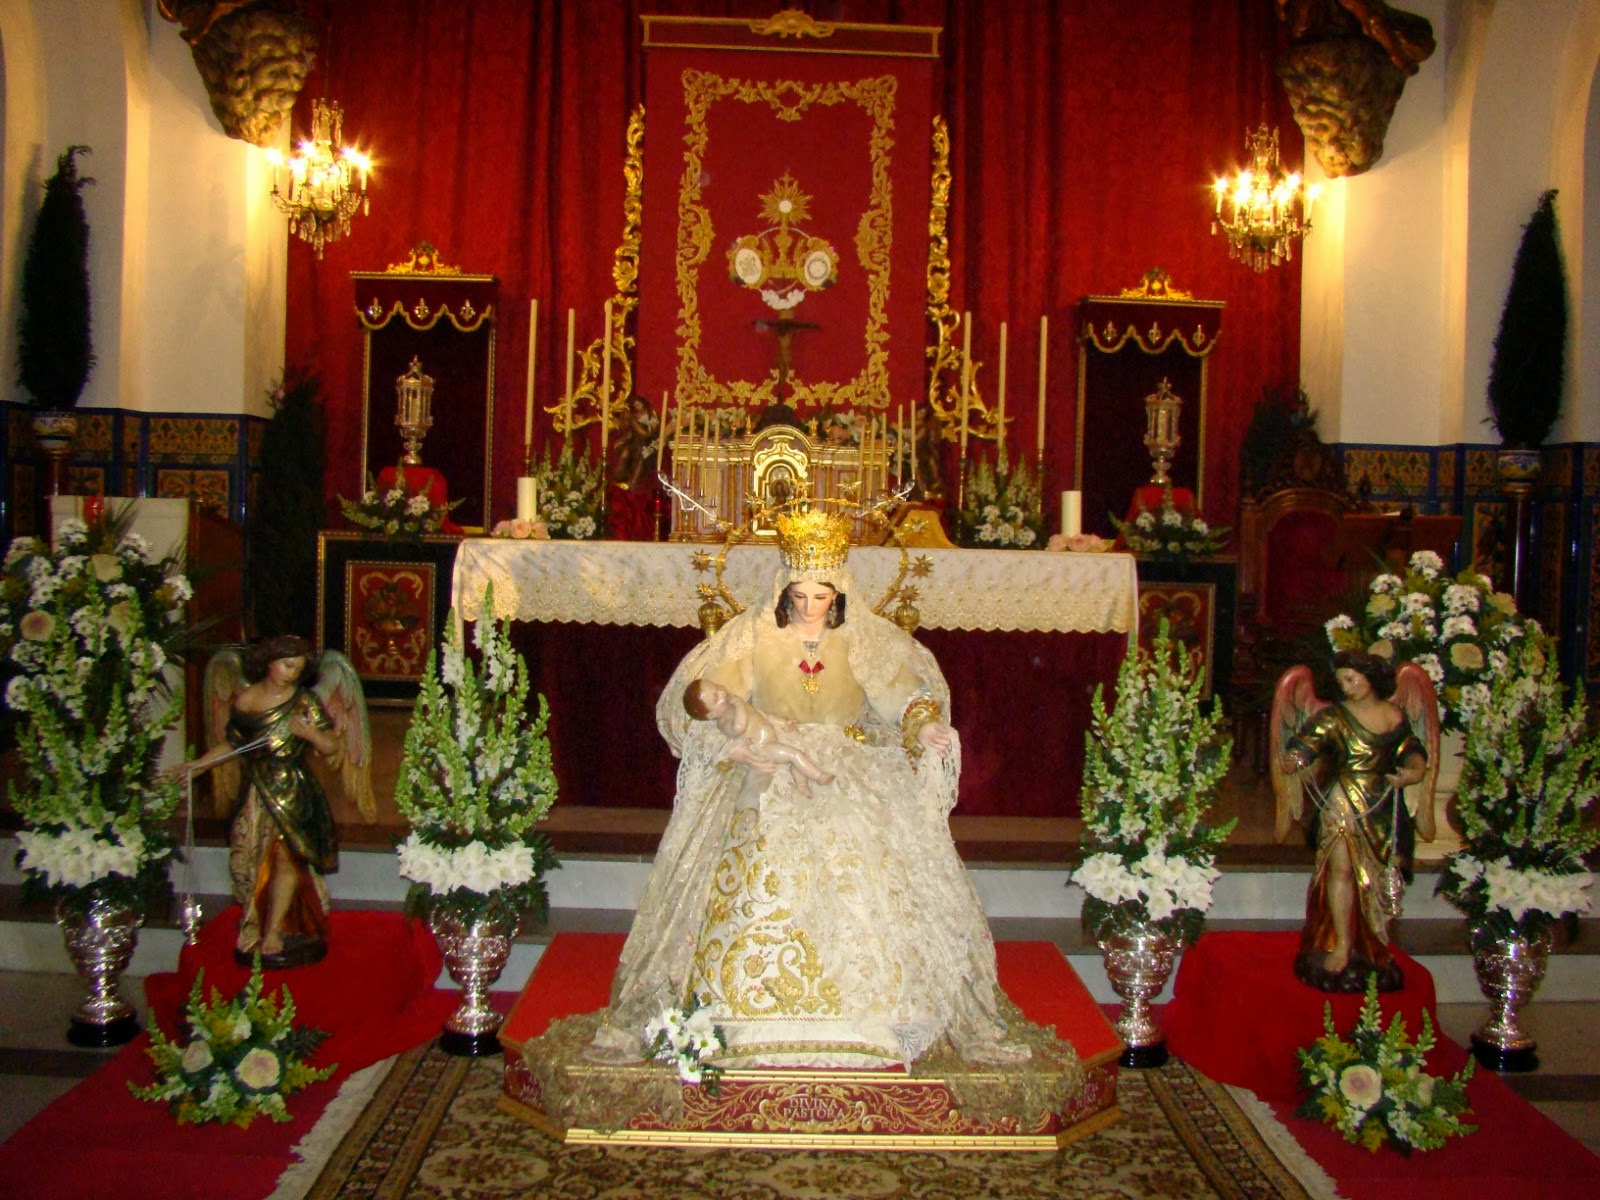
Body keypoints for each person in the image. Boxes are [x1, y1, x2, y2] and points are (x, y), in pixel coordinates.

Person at [587, 504, 1020, 1069]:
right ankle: (739, 1010)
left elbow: (901, 694)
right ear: (783, 590)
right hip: (768, 761)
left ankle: (880, 1014)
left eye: (821, 596)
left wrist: (923, 725)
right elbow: (705, 699)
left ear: (838, 594)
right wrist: (731, 737)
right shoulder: (755, 638)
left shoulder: (863, 641)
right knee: (760, 844)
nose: (810, 607)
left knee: (860, 842)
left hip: (851, 766)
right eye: (799, 596)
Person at [181, 637, 371, 967]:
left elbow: (331, 746)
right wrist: (198, 766)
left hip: (293, 791)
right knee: (248, 860)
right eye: (287, 665)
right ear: (269, 662)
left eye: (298, 668)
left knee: (287, 858)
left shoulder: (304, 701)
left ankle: (273, 931)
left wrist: (310, 735)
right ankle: (254, 923)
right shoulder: (247, 699)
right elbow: (233, 743)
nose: (292, 674)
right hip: (257, 791)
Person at [1276, 650, 1430, 992]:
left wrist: (1411, 773)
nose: (1346, 687)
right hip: (1343, 802)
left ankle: (1372, 943)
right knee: (1341, 870)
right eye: (1341, 681)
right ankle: (1343, 943)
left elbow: (1413, 752)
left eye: (1351, 679)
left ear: (1370, 677)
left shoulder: (1395, 716)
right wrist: (1296, 756)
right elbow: (1308, 741)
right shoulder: (1336, 716)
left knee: (1375, 878)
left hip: (1382, 804)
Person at [682, 677, 835, 796]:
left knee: (797, 750)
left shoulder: (736, 703)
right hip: (764, 747)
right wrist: (739, 705)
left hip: (774, 735)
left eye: (717, 686)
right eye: (717, 697)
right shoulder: (723, 722)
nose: (722, 692)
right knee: (794, 755)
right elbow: (739, 728)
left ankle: (801, 784)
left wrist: (782, 723)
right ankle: (819, 776)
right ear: (712, 714)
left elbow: (762, 716)